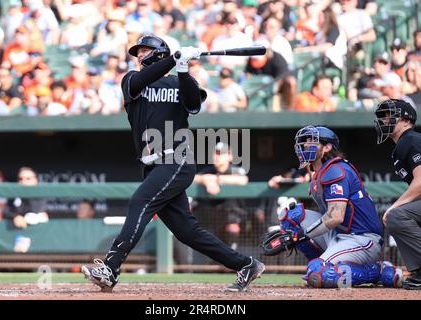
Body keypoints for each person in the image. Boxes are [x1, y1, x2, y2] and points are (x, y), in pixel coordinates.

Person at [81, 35, 265, 293]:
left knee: (140, 202)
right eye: (138, 52)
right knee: (186, 231)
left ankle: (111, 268)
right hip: (151, 164)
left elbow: (192, 104)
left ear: (157, 53)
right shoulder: (132, 80)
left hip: (175, 159)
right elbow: (144, 78)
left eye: (145, 51)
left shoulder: (180, 82)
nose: (139, 56)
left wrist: (182, 69)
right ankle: (246, 264)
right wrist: (173, 59)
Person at [262, 125, 403, 288]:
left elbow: (335, 216)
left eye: (312, 142)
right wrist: (297, 234)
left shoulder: (336, 169)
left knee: (320, 273)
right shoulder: (318, 173)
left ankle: (378, 272)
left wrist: (300, 236)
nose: (305, 146)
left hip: (361, 239)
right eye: (304, 142)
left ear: (327, 147)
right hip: (338, 234)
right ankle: (322, 263)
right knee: (292, 217)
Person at [374, 99, 421, 290]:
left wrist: (394, 207)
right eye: (383, 117)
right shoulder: (402, 144)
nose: (385, 120)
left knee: (396, 215)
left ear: (406, 121)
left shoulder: (411, 139)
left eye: (390, 115)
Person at [193, 142, 249, 249]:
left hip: (234, 220)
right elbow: (193, 178)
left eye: (220, 154)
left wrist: (217, 179)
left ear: (229, 156)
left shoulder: (235, 169)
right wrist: (205, 179)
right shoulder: (209, 171)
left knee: (231, 253)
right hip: (214, 220)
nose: (216, 157)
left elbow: (243, 179)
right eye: (215, 153)